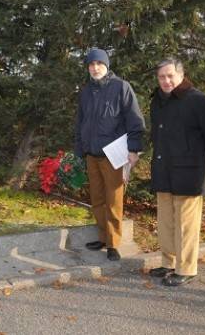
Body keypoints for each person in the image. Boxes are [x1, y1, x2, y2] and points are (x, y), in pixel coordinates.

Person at [148, 59, 205, 286]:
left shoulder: (198, 100)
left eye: (170, 75)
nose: (166, 81)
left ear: (181, 75)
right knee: (166, 222)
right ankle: (168, 262)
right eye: (161, 77)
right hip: (163, 168)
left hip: (189, 172)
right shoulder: (157, 102)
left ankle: (186, 267)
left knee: (186, 224)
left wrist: (197, 157)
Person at [74, 48, 145, 261]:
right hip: (91, 154)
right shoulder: (86, 91)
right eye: (91, 65)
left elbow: (135, 121)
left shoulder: (121, 87)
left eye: (99, 64)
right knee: (96, 199)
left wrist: (134, 149)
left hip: (113, 155)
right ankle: (103, 237)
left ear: (107, 65)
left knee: (114, 200)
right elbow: (80, 122)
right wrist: (79, 149)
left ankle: (114, 244)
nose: (95, 68)